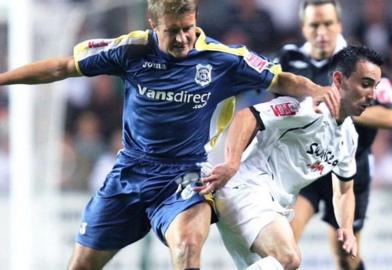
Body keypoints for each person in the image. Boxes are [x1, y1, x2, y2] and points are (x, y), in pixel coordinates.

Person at [0, 1, 340, 269]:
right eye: (172, 31)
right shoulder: (130, 50)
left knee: (188, 248)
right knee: (82, 265)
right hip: (130, 173)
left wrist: (315, 89)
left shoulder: (224, 59)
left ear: (197, 19)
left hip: (185, 176)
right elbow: (62, 67)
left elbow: (279, 79)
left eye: (188, 28)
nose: (181, 39)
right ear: (152, 23)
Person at [198, 45, 384, 270]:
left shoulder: (349, 136)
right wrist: (232, 162)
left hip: (271, 204)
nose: (372, 95)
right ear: (339, 79)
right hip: (247, 188)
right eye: (365, 84)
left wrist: (346, 228)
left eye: (375, 86)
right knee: (289, 258)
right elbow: (247, 116)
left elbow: (344, 190)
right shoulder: (308, 107)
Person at [275, 1, 392, 269]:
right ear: (303, 28)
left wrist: (344, 109)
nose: (322, 31)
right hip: (304, 166)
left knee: (345, 257)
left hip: (349, 169)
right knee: (283, 247)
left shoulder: (361, 62)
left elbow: (391, 116)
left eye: (328, 24)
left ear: (339, 25)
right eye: (314, 25)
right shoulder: (288, 58)